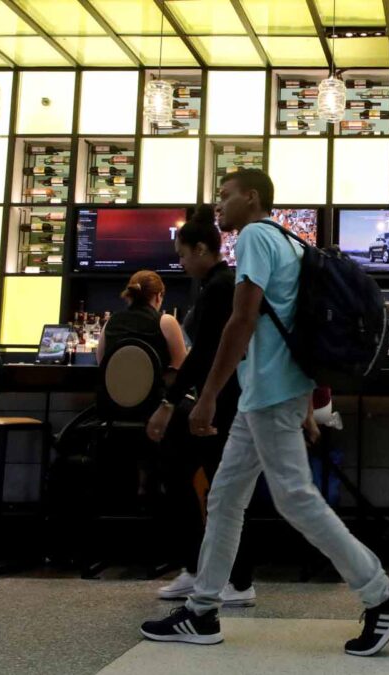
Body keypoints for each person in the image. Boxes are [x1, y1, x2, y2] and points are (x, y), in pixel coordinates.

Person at [140, 168, 389, 656]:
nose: (218, 205)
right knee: (226, 497)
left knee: (295, 498)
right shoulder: (289, 242)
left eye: (225, 196)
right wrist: (300, 404)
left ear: (252, 198)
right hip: (269, 393)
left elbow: (242, 320)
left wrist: (207, 396)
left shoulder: (253, 238)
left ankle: (382, 596)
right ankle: (203, 611)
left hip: (268, 393)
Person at [145, 204, 256, 608]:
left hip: (223, 402)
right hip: (222, 399)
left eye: (182, 253)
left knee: (210, 487)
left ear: (201, 250)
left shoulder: (220, 287)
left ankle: (222, 576)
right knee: (213, 487)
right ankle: (211, 573)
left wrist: (169, 403)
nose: (180, 261)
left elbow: (206, 351)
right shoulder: (218, 285)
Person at [96, 270, 187, 373]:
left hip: (114, 388)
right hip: (155, 388)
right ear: (158, 296)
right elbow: (180, 366)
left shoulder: (111, 321)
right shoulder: (166, 322)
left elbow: (102, 362)